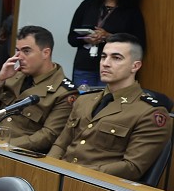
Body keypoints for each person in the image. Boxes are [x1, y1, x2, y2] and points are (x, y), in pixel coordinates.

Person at [49, 35, 171, 180]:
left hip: (98, 188)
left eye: (116, 58)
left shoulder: (149, 112)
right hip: (59, 177)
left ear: (135, 66)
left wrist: (77, 173)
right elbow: (61, 145)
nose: (105, 63)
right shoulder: (84, 100)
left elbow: (132, 167)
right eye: (103, 57)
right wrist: (49, 169)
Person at [0, 25, 75, 154]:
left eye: (26, 51)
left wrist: (3, 146)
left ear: (45, 53)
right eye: (17, 50)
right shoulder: (14, 77)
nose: (19, 57)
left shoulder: (64, 92)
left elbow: (48, 136)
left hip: (21, 155)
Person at [66, 0, 146, 89]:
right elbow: (71, 38)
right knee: (83, 103)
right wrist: (86, 38)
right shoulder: (87, 6)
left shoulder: (132, 12)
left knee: (108, 104)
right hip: (85, 66)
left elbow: (139, 45)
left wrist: (110, 37)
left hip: (115, 70)